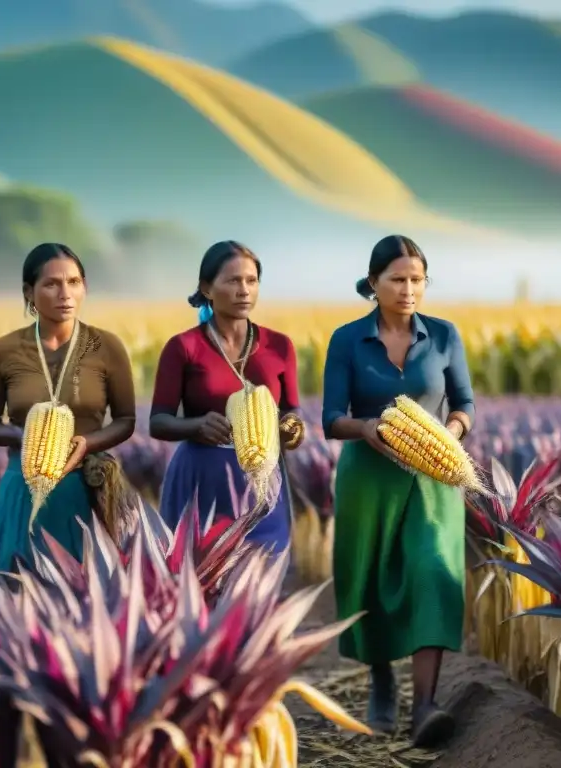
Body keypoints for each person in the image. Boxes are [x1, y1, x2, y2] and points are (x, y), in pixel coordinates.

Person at [322, 234, 475, 747]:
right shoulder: (347, 340)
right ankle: (382, 682)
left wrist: (445, 436)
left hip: (432, 478)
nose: (409, 289)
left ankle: (426, 703)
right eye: (398, 280)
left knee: (432, 571)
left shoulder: (446, 335)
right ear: (374, 284)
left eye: (417, 280)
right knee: (370, 579)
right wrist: (366, 429)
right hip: (369, 477)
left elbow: (464, 404)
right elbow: (330, 419)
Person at [0, 243, 137, 573]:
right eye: (51, 284)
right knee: (17, 587)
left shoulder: (107, 347)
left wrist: (87, 444)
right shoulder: (5, 350)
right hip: (23, 484)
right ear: (29, 292)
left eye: (74, 282)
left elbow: (126, 420)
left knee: (83, 591)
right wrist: (23, 437)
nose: (65, 293)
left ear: (85, 287)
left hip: (83, 489)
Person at [149, 241, 304, 551]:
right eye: (233, 281)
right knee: (199, 581)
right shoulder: (184, 347)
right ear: (207, 288)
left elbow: (292, 412)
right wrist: (196, 426)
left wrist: (292, 430)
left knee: (262, 577)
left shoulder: (279, 346)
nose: (244, 290)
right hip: (202, 481)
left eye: (251, 280)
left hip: (262, 481)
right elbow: (158, 422)